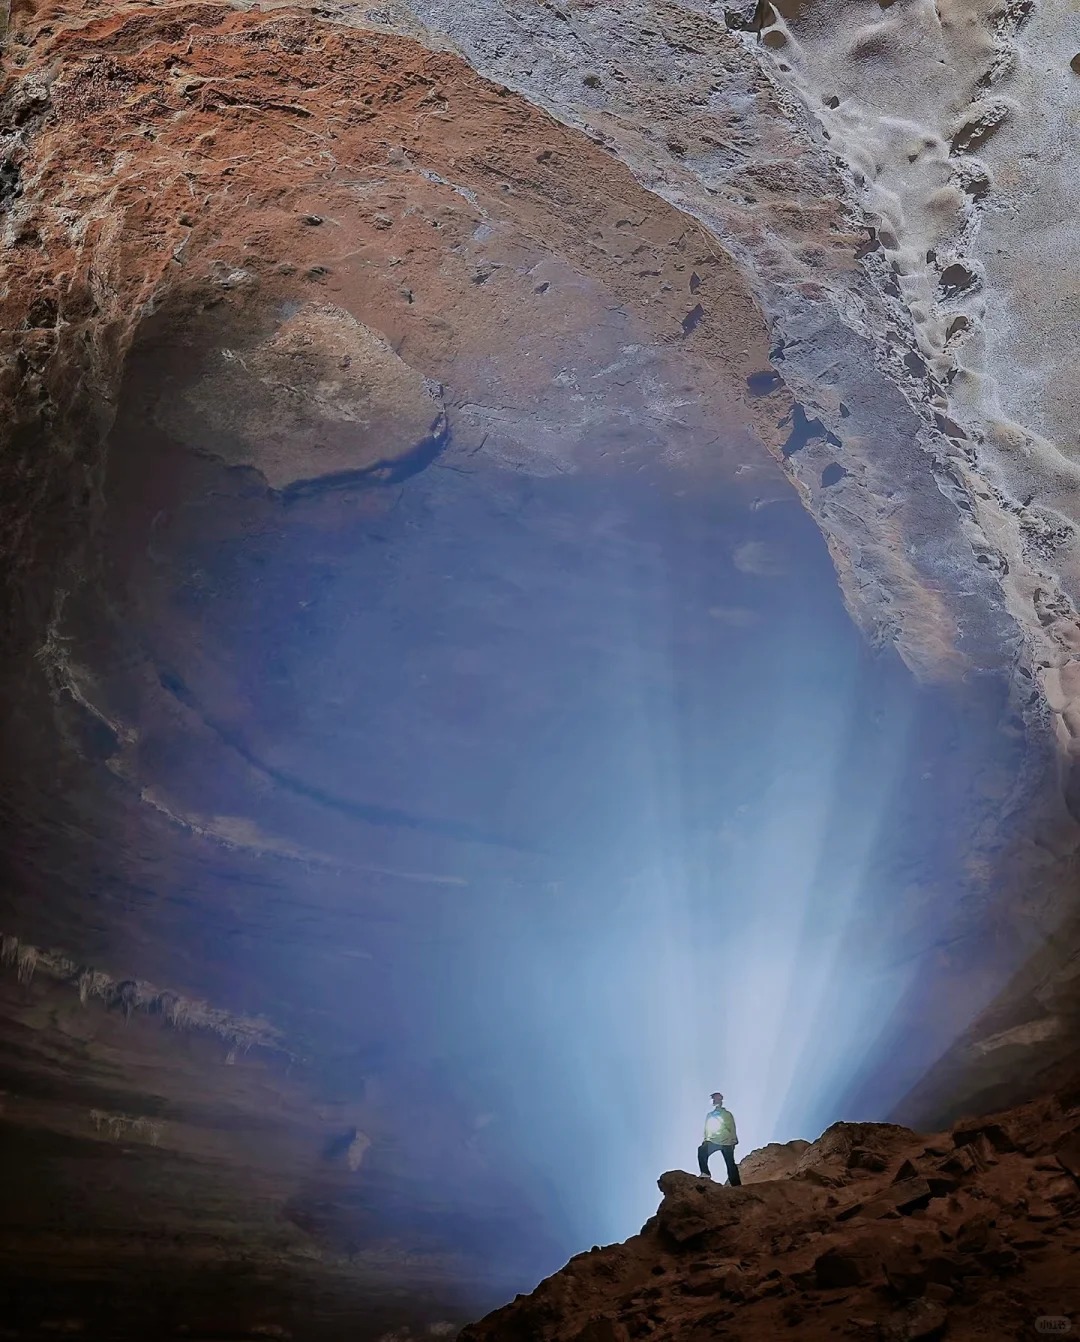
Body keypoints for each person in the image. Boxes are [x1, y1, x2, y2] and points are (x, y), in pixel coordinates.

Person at [698, 1091, 741, 1185]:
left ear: (721, 1099)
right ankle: (705, 1173)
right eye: (713, 1098)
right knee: (702, 1150)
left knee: (730, 1163)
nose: (714, 1100)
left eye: (716, 1098)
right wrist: (706, 1140)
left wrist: (734, 1140)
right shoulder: (710, 1115)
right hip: (714, 1140)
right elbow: (707, 1128)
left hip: (727, 1141)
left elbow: (732, 1127)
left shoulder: (726, 1114)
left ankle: (736, 1185)